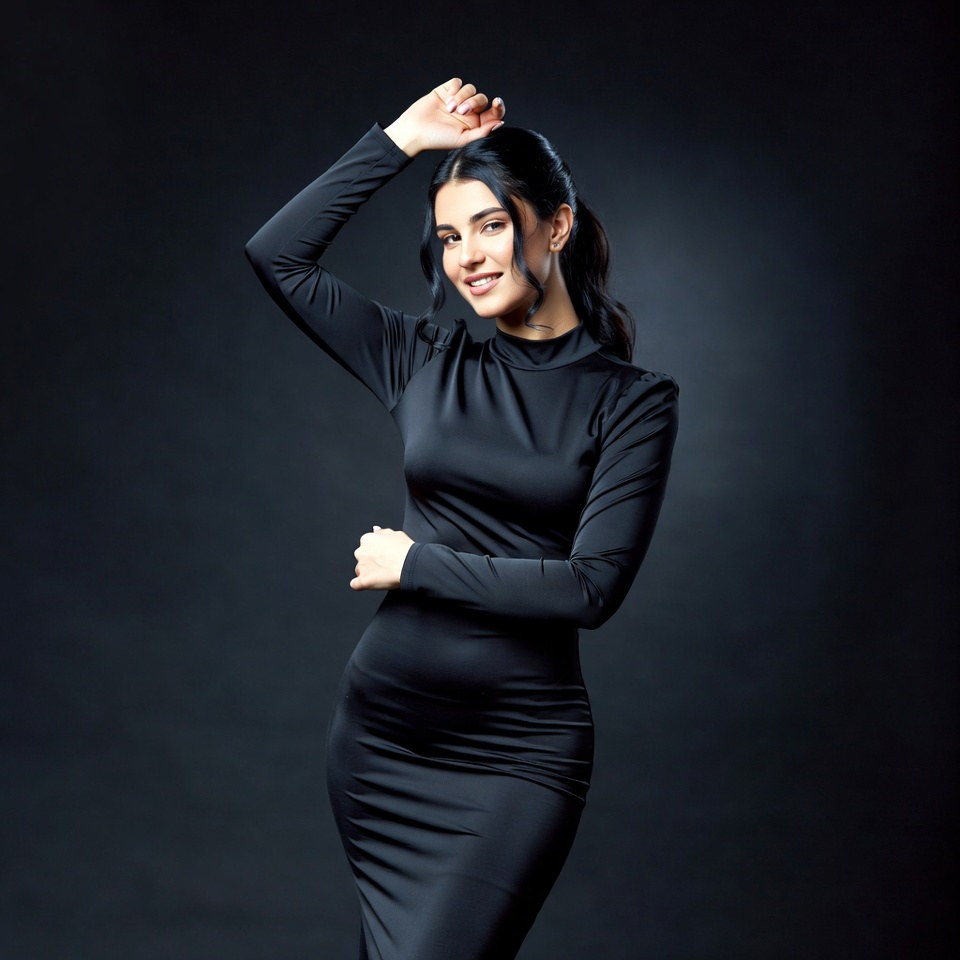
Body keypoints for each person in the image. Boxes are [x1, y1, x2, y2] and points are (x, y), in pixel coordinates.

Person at [246, 77, 678, 960]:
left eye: (490, 226)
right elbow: (277, 255)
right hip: (385, 738)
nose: (468, 257)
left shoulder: (633, 403)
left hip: (518, 756)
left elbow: (591, 588)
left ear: (556, 226)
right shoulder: (423, 360)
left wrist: (417, 565)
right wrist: (402, 140)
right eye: (449, 236)